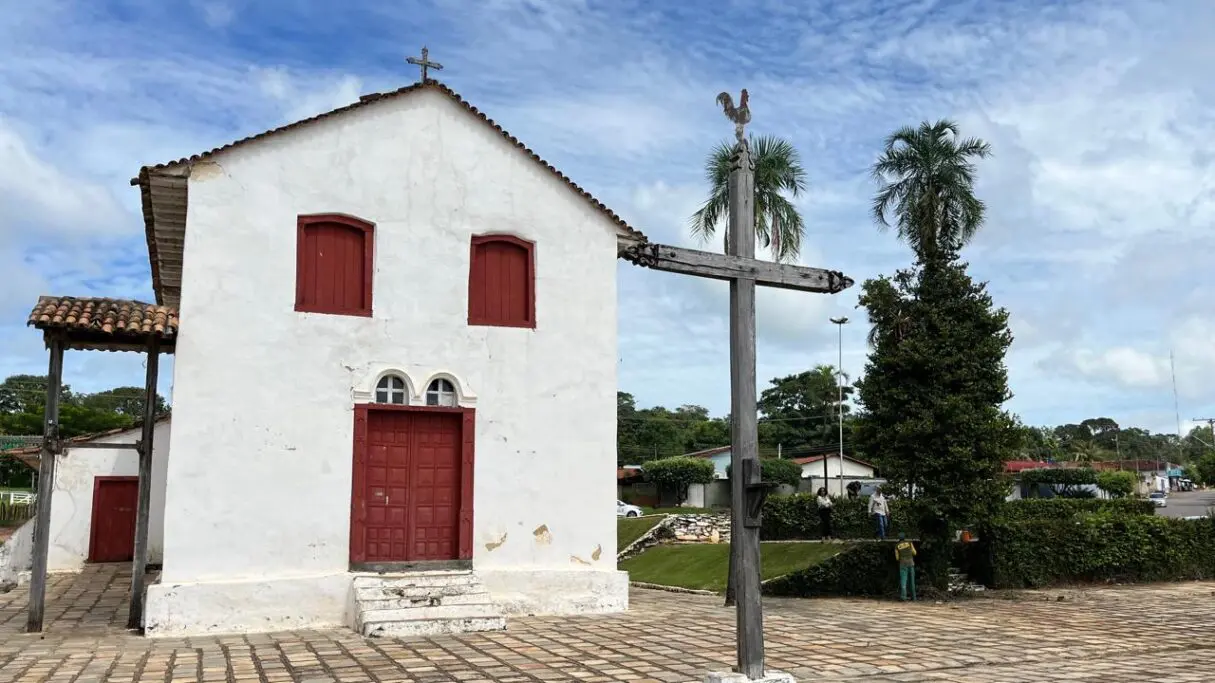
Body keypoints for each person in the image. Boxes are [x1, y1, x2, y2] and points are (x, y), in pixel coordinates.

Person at [895, 532, 916, 601]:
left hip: (903, 564)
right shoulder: (909, 543)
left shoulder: (897, 546)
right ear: (904, 537)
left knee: (904, 580)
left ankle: (903, 597)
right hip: (911, 563)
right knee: (912, 581)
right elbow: (914, 552)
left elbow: (897, 558)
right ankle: (913, 597)